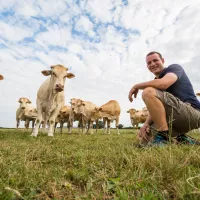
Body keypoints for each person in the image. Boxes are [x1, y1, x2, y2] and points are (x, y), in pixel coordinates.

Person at [128, 51, 200, 146]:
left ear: (162, 60)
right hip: (173, 117)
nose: (152, 64)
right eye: (149, 63)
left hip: (192, 114)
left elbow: (163, 84)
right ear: (147, 67)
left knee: (148, 91)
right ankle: (183, 140)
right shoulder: (155, 83)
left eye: (155, 60)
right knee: (145, 139)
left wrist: (137, 86)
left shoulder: (174, 68)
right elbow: (155, 109)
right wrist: (146, 124)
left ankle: (165, 137)